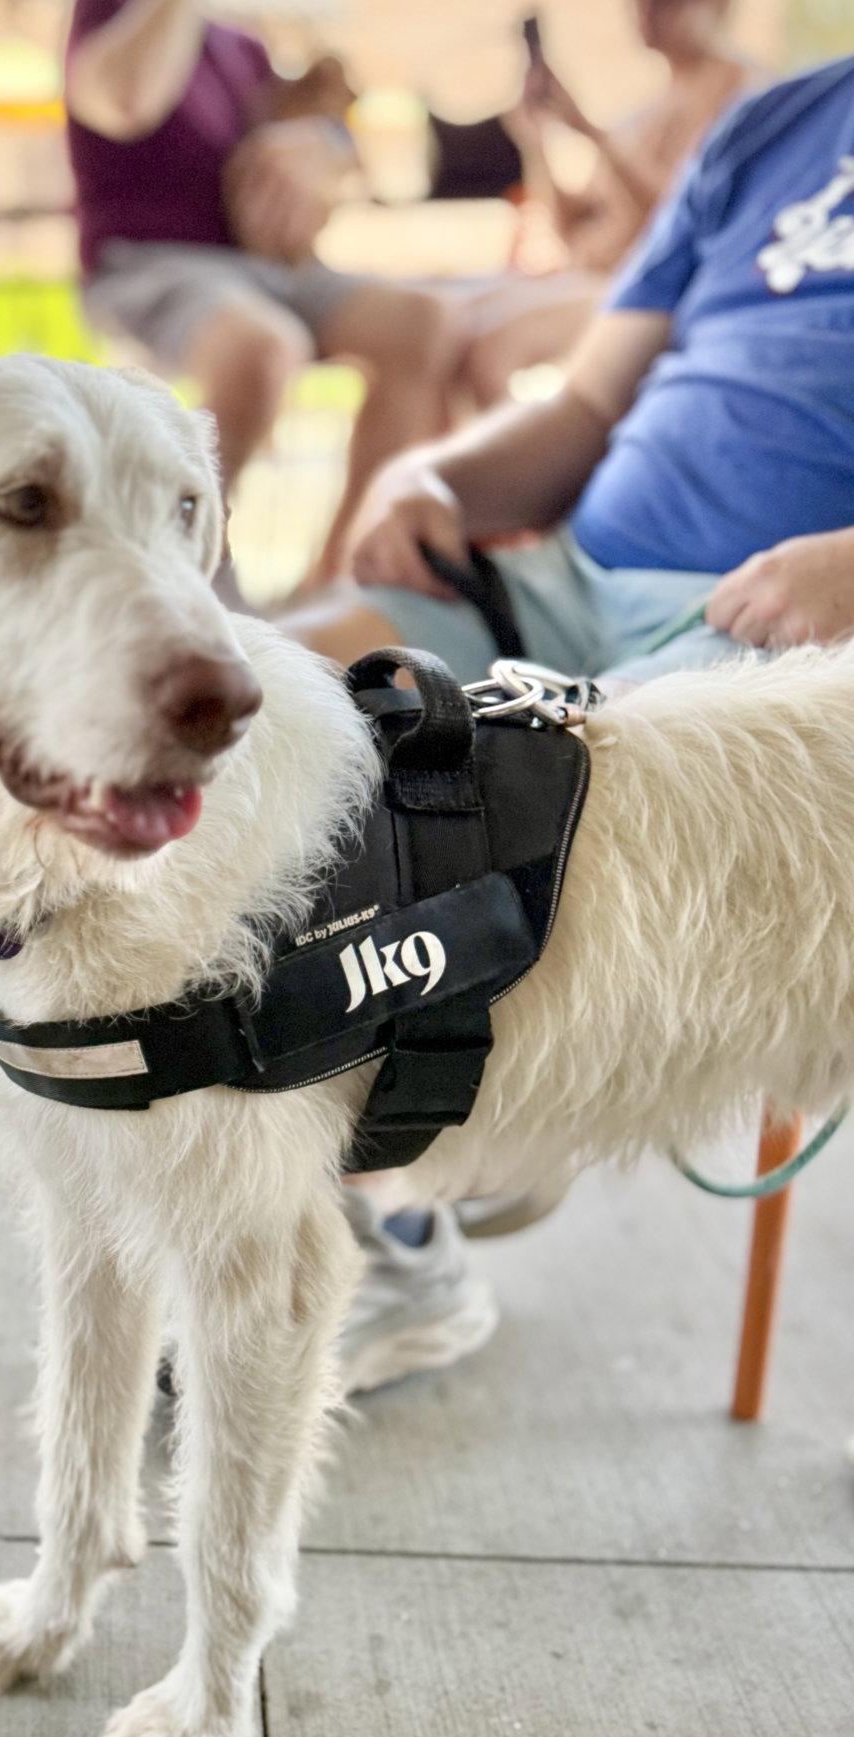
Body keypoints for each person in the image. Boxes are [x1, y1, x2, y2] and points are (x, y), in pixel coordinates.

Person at [299, 56, 854, 1393]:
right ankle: (403, 1186)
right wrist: (437, 475)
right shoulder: (781, 119)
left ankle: (429, 1177)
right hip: (557, 583)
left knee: (511, 818)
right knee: (269, 717)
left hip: (780, 643)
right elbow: (591, 406)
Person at [65, 0, 455, 580]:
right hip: (149, 264)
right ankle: (174, 568)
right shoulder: (107, 14)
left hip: (260, 266)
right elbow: (123, 102)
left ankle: (337, 579)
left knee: (420, 322)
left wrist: (330, 144)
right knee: (266, 348)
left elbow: (334, 146)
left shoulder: (242, 42)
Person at [453, 0, 752, 409]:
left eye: (664, 5)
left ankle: (542, 454)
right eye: (639, 4)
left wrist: (593, 133)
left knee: (493, 352)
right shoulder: (652, 105)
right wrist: (535, 143)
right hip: (587, 276)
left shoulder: (740, 95)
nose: (646, 14)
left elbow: (685, 222)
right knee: (446, 328)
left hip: (647, 291)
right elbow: (571, 227)